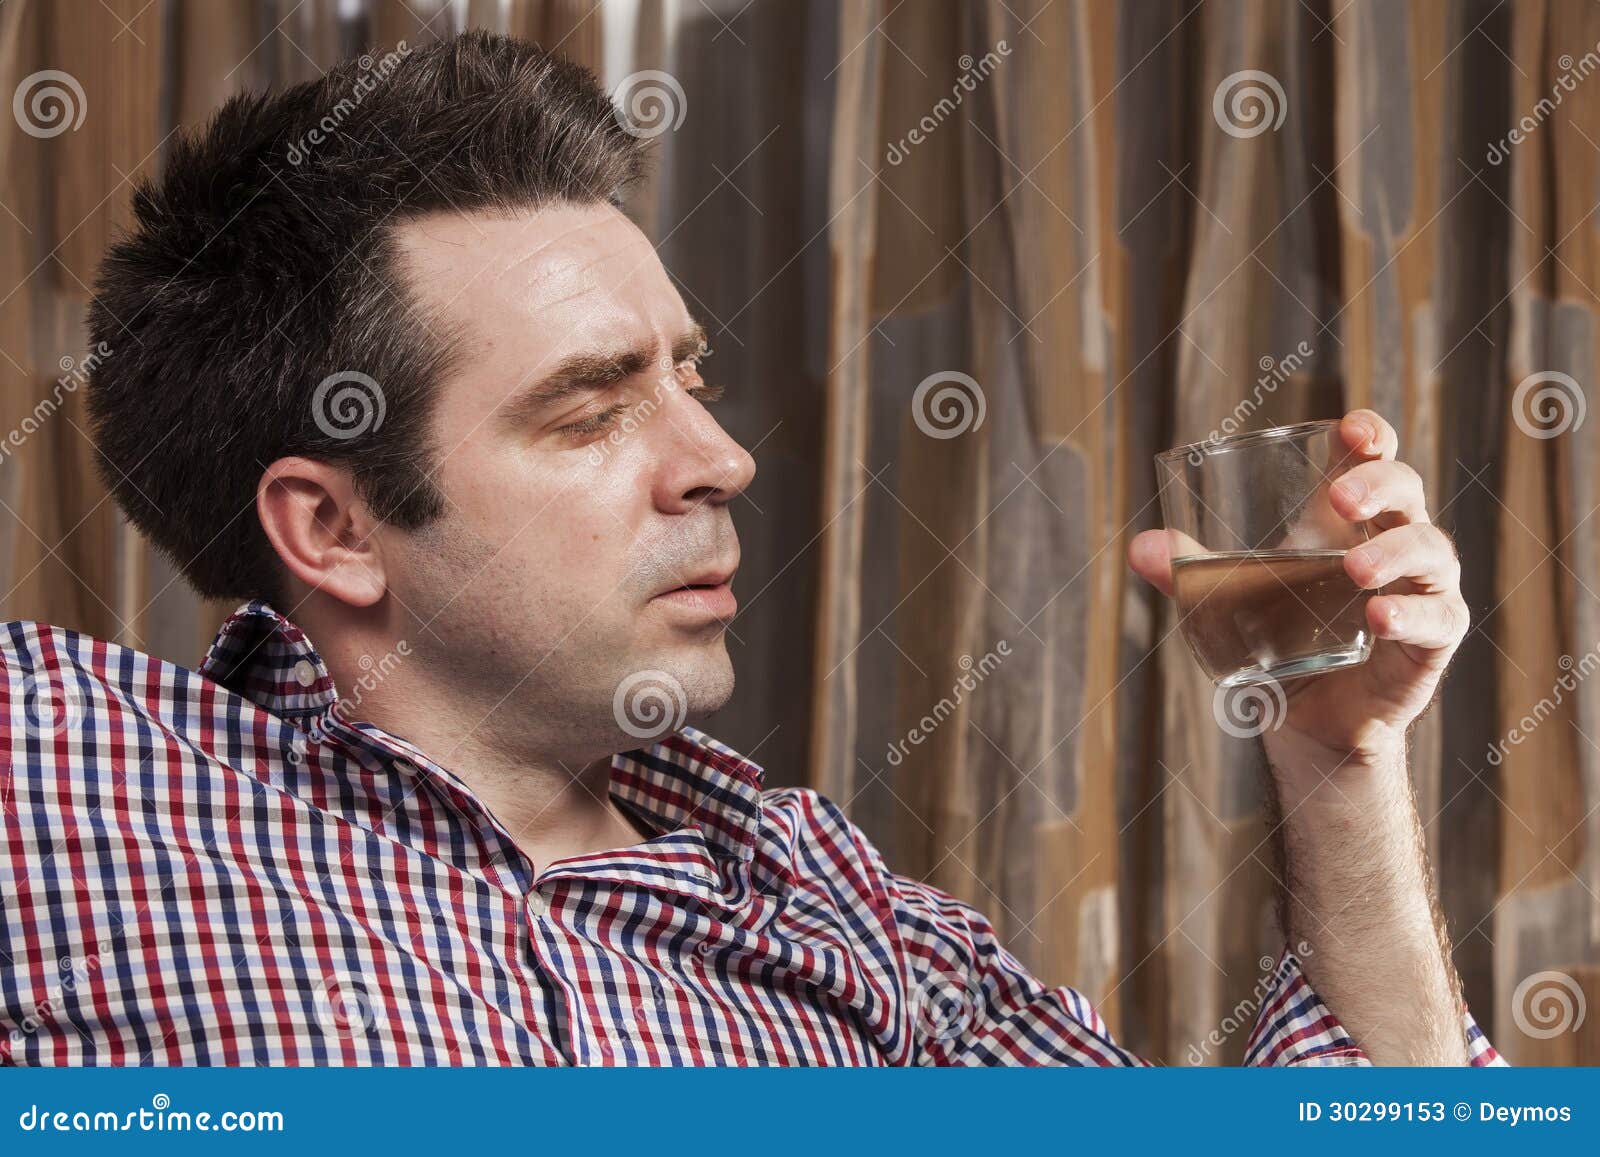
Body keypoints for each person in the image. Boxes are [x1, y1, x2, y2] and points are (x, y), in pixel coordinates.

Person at [0, 31, 1498, 1066]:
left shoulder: (846, 914)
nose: (718, 459)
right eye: (590, 410)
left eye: (691, 376)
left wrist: (1338, 761)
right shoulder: (66, 774)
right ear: (332, 527)